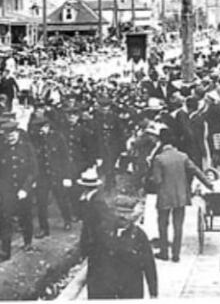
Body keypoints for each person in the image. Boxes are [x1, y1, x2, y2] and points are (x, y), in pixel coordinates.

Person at [150, 130, 213, 262]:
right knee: (178, 225)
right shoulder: (183, 156)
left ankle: (164, 252)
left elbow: (157, 180)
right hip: (181, 195)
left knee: (163, 224)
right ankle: (176, 254)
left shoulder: (159, 159)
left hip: (164, 196)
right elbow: (197, 171)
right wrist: (209, 184)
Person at [0, 120, 38, 261]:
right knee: (5, 218)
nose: (10, 137)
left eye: (12, 134)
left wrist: (25, 188)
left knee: (26, 216)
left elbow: (34, 170)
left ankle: (28, 241)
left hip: (23, 189)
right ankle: (5, 251)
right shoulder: (1, 150)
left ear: (17, 133)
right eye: (7, 135)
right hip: (7, 190)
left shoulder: (27, 147)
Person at [98, 196, 158, 299]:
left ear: (132, 214)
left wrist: (153, 292)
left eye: (127, 213)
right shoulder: (104, 232)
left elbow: (149, 264)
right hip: (109, 290)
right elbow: (95, 263)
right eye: (119, 212)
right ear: (113, 213)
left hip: (131, 290)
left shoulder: (139, 236)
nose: (123, 216)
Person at [77, 167, 113, 299]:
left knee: (96, 279)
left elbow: (105, 223)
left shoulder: (97, 203)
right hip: (93, 245)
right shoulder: (89, 199)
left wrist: (95, 242)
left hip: (98, 246)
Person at [35, 119, 71, 233]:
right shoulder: (35, 139)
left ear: (48, 126)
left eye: (43, 127)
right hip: (42, 176)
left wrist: (66, 176)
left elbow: (65, 158)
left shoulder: (57, 137)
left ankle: (67, 221)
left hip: (57, 174)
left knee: (62, 199)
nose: (41, 130)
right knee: (41, 202)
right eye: (39, 128)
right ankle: (43, 228)